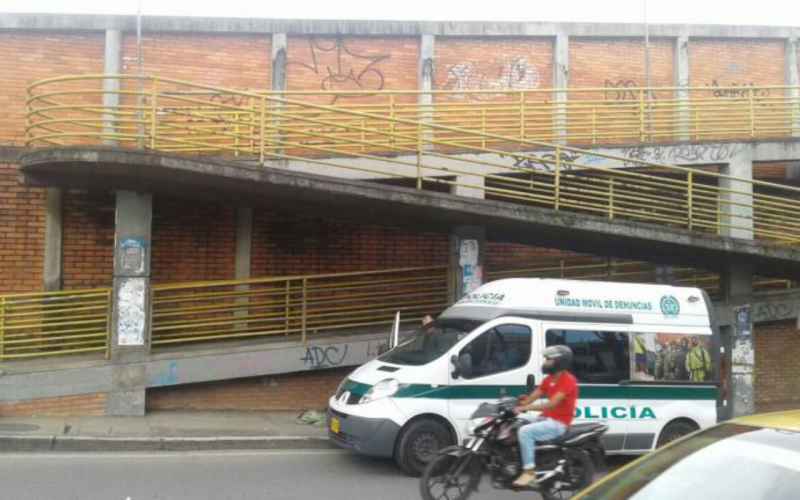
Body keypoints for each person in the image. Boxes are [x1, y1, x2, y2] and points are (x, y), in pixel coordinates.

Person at [511, 345, 578, 488]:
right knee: (516, 423)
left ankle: (529, 472)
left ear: (560, 362)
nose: (545, 362)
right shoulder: (549, 379)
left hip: (558, 424)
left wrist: (526, 407)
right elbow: (532, 397)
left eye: (549, 359)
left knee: (525, 432)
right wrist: (515, 403)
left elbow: (551, 404)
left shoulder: (568, 380)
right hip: (546, 418)